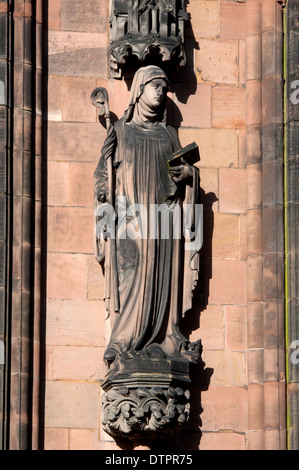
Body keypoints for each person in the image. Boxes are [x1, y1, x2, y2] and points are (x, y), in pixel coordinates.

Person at [94, 65, 201, 364]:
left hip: (165, 221)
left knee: (162, 278)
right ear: (140, 89)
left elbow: (186, 171)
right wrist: (104, 193)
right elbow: (103, 173)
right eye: (157, 86)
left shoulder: (169, 134)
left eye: (165, 88)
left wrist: (189, 175)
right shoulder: (120, 131)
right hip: (131, 221)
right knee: (133, 270)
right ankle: (124, 339)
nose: (162, 92)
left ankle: (166, 335)